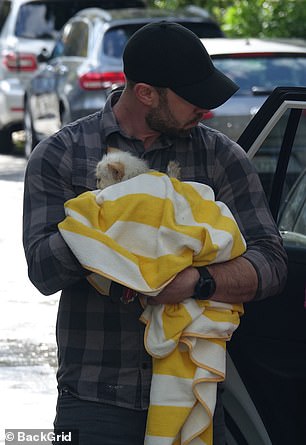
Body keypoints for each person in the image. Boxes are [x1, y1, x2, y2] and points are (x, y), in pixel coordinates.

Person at [23, 22, 287, 445]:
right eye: (193, 98)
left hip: (195, 395)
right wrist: (114, 217)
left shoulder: (221, 157)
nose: (206, 110)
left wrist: (196, 282)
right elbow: (42, 271)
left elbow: (272, 263)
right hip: (95, 401)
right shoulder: (61, 155)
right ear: (146, 92)